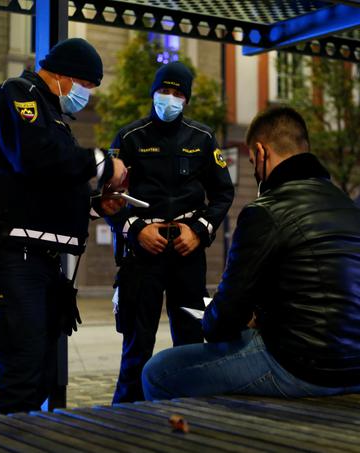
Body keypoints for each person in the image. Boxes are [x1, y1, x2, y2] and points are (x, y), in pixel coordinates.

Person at [141, 106, 360, 400]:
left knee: (159, 371)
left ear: (261, 151)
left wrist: (214, 322)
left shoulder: (266, 211)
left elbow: (224, 317)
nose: (256, 171)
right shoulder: (354, 210)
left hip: (304, 368)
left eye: (254, 162)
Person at [0, 38, 127, 414]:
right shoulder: (17, 95)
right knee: (19, 379)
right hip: (11, 261)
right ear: (65, 75)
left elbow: (44, 189)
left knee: (38, 377)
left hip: (39, 265)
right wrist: (102, 162)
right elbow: (36, 158)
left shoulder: (54, 117)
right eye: (87, 86)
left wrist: (94, 206)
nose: (86, 95)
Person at [104, 61, 234, 403]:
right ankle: (126, 415)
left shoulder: (203, 138)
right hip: (143, 254)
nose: (170, 99)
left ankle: (190, 411)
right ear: (153, 93)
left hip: (187, 253)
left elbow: (223, 193)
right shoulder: (129, 138)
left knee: (192, 339)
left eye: (178, 94)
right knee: (137, 342)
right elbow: (109, 198)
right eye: (165, 91)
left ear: (187, 100)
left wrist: (201, 232)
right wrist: (133, 231)